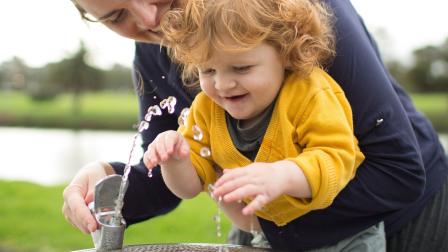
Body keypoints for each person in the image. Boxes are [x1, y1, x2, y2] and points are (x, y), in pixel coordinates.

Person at [63, 0, 448, 251]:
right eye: (116, 16)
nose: (150, 20)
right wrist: (105, 180)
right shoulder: (152, 50)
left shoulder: (288, 13)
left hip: (397, 211)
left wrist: (262, 214)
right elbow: (173, 177)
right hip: (266, 220)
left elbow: (397, 168)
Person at [142, 0, 372, 250]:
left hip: (344, 236)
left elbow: (336, 159)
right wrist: (175, 161)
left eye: (241, 68)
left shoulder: (310, 92)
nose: (222, 84)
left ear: (285, 52)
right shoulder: (206, 109)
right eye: (208, 71)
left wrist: (283, 175)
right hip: (274, 236)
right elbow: (188, 188)